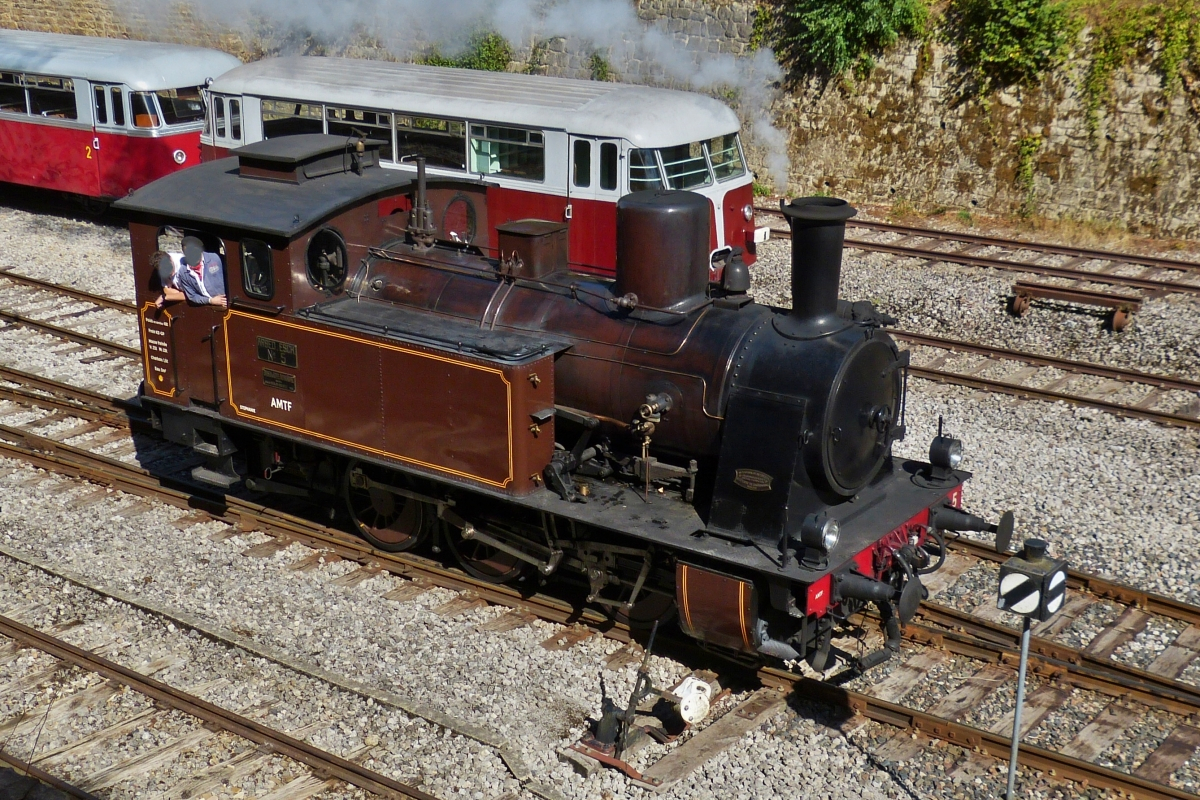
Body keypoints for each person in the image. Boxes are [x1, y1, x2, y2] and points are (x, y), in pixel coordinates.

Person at [176, 236, 227, 309]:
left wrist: (227, 299)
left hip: (226, 304)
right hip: (207, 307)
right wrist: (210, 301)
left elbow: (231, 277)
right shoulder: (183, 272)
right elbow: (192, 296)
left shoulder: (215, 258)